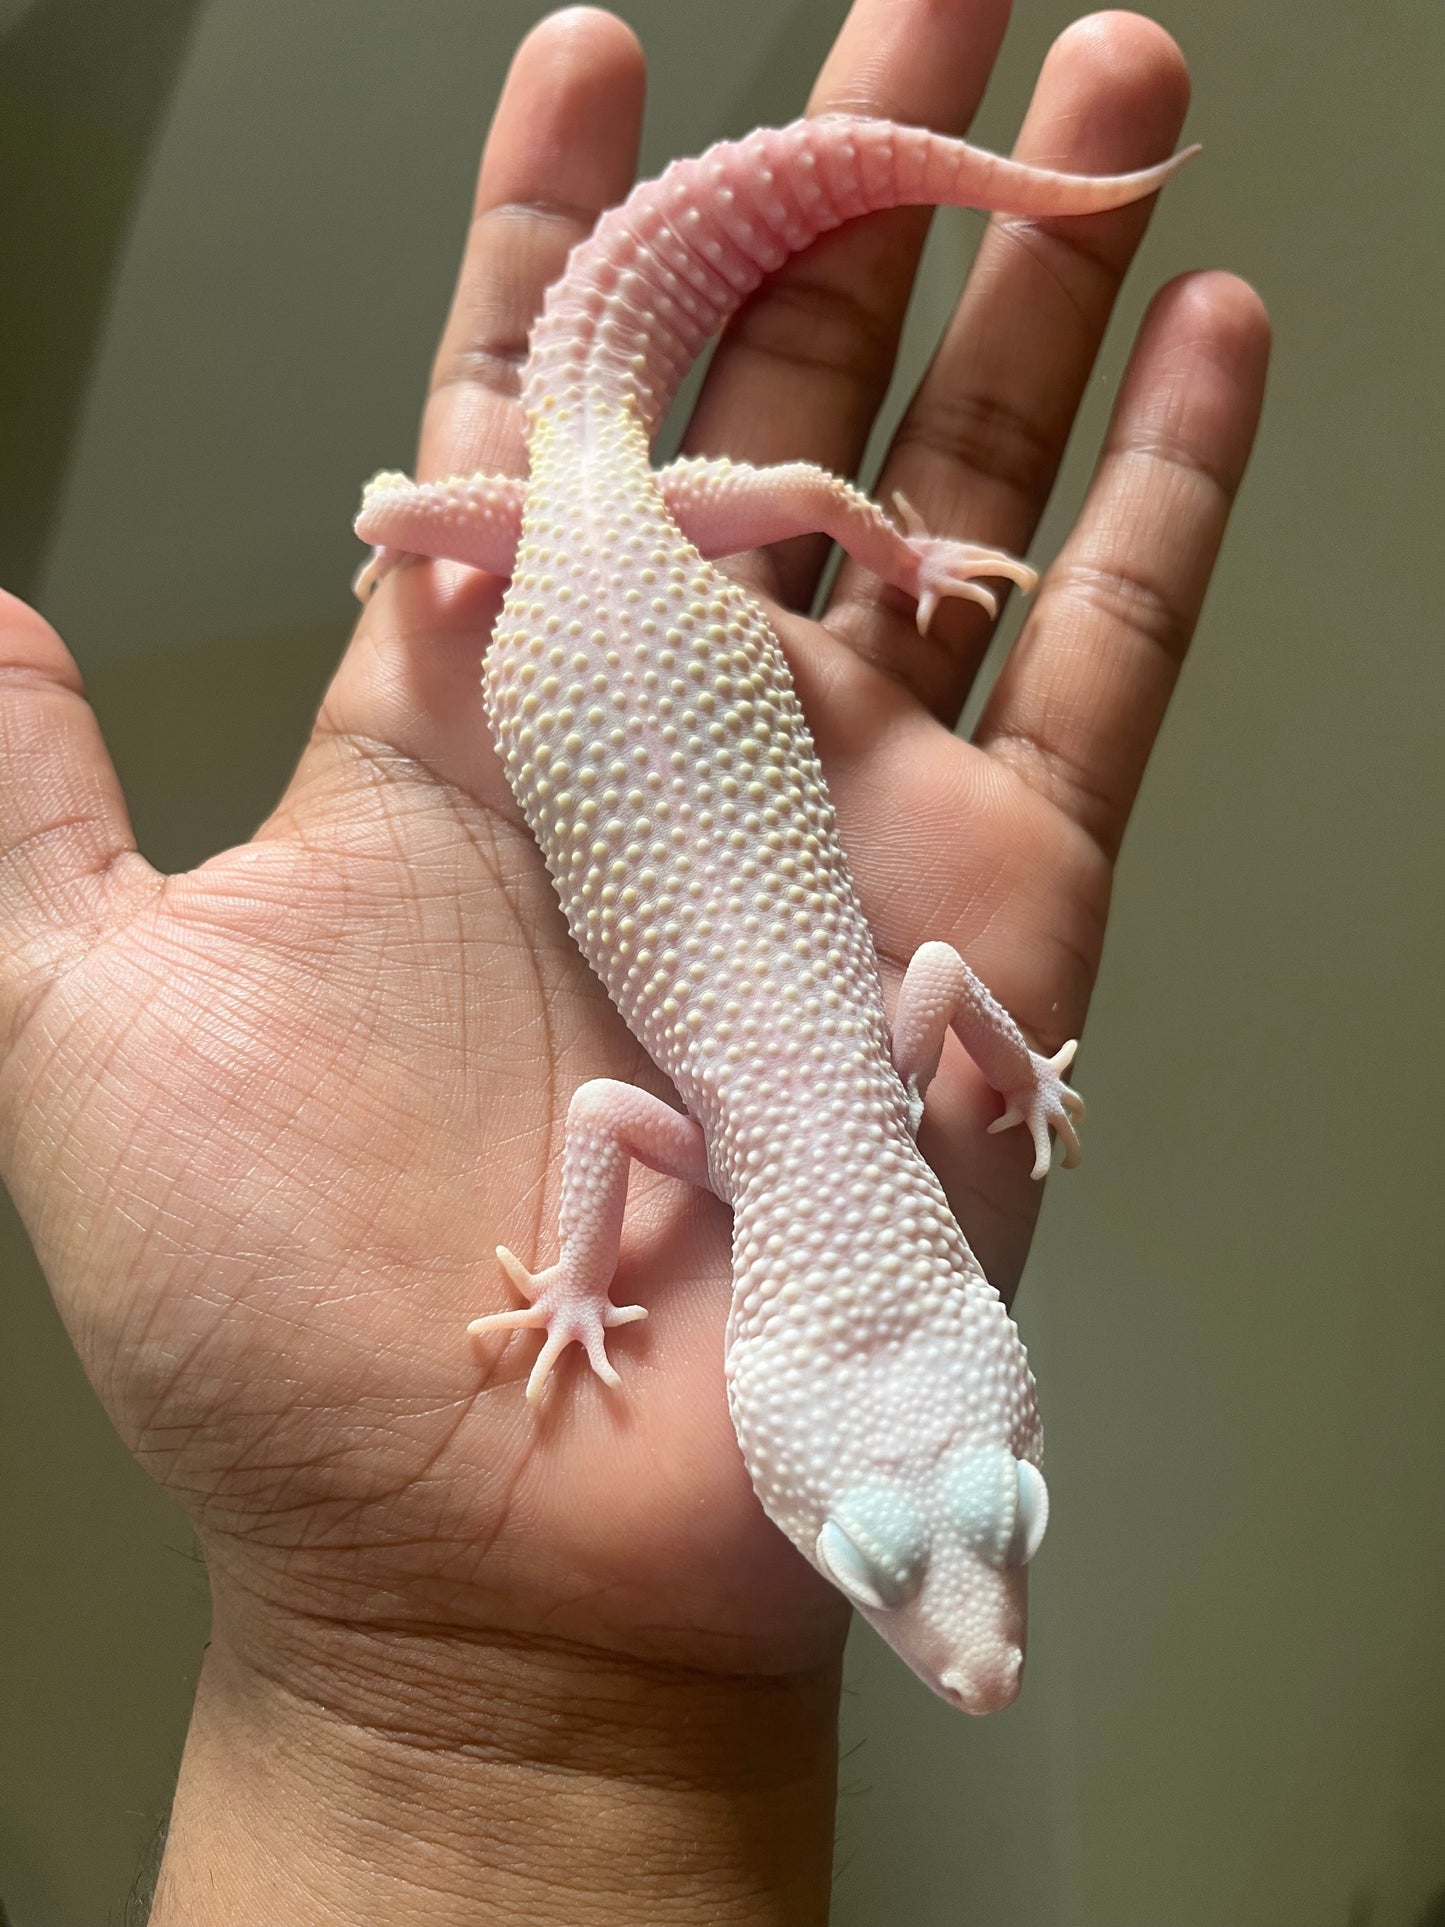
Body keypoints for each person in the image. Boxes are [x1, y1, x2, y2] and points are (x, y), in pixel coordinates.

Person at [0, 2, 1267, 1919]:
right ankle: (469, 523)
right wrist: (589, 1278)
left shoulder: (881, 1068)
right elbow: (629, 1098)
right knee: (448, 511)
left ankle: (460, 529)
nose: (970, 1636)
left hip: (579, 525)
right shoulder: (785, 1122)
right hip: (590, 528)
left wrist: (1002, 1070)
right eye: (974, 1525)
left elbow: (906, 1004)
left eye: (903, 1543)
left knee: (440, 521)